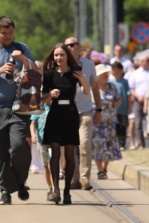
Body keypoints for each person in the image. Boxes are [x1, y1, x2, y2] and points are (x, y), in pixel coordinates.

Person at [0, 16, 38, 206]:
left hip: (19, 107)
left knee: (20, 147)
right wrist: (1, 69)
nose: (8, 36)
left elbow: (36, 71)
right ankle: (5, 191)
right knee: (0, 152)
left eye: (10, 32)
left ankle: (20, 182)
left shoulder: (21, 47)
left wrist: (22, 59)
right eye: (4, 33)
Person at [41, 42, 89, 205]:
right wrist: (50, 95)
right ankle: (56, 190)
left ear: (67, 56)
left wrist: (83, 79)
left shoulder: (75, 73)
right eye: (56, 55)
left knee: (69, 154)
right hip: (54, 114)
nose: (59, 58)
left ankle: (67, 190)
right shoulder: (49, 73)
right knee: (54, 153)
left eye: (61, 55)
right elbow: (44, 100)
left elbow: (86, 92)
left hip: (70, 114)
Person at [64, 36, 102, 191]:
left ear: (79, 46)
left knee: (85, 144)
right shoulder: (61, 64)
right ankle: (74, 178)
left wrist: (98, 109)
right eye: (68, 45)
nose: (71, 48)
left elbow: (95, 88)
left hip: (85, 109)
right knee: (70, 146)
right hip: (67, 111)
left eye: (73, 45)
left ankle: (85, 178)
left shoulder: (89, 64)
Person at [93, 64, 122, 179]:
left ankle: (104, 169)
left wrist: (117, 103)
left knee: (109, 148)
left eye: (106, 74)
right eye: (102, 74)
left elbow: (119, 97)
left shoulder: (112, 87)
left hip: (110, 123)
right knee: (96, 146)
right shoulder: (93, 87)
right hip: (96, 123)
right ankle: (100, 170)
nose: (105, 75)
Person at [128, 56, 149, 149]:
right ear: (141, 62)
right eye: (144, 61)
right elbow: (131, 88)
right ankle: (141, 144)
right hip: (138, 100)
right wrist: (138, 97)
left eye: (148, 60)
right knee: (138, 123)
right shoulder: (135, 74)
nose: (146, 62)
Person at [29, 105, 54, 201]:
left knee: (52, 165)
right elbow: (32, 123)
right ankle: (49, 188)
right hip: (41, 141)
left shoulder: (55, 107)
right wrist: (33, 134)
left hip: (53, 142)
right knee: (46, 165)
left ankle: (55, 188)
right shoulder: (38, 107)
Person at [110, 61, 130, 149]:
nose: (113, 70)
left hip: (123, 108)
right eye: (112, 68)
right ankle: (115, 144)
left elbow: (128, 95)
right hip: (112, 109)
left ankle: (122, 144)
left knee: (122, 126)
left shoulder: (124, 82)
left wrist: (129, 107)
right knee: (113, 126)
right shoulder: (109, 81)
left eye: (115, 68)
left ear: (120, 70)